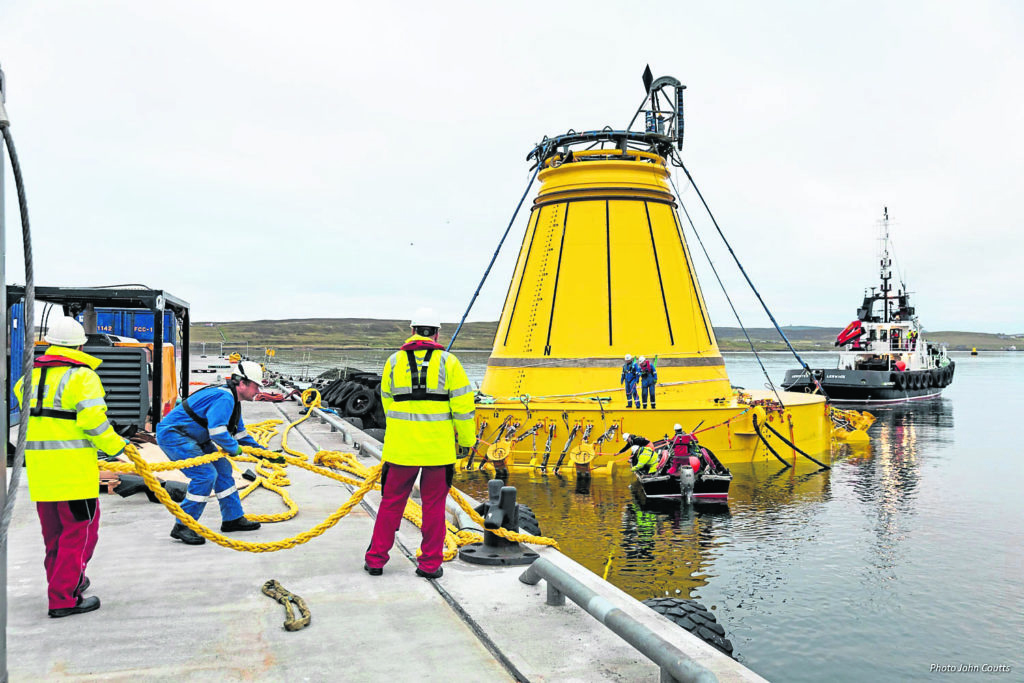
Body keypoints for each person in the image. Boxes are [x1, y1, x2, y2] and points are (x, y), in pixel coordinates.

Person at [13, 317, 129, 617]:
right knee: (81, 534)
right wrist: (118, 448)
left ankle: (66, 580)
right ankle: (64, 597)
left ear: (50, 343)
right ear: (80, 345)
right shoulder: (82, 376)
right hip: (74, 475)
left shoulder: (28, 378)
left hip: (41, 475)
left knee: (55, 536)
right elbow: (93, 421)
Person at [364, 307, 476, 579]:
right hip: (438, 450)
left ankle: (376, 560)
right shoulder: (449, 363)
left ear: (412, 331)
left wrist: (403, 430)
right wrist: (467, 440)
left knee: (391, 503)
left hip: (400, 449)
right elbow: (463, 406)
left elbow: (387, 402)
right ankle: (429, 565)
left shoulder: (393, 362)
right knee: (434, 506)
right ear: (437, 333)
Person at [156, 360, 265, 545]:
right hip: (175, 436)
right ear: (242, 383)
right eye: (256, 386)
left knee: (222, 469)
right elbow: (218, 432)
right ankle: (183, 525)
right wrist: (234, 449)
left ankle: (233, 518)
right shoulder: (225, 398)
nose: (258, 392)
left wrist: (262, 453)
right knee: (205, 475)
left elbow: (239, 433)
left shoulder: (232, 400)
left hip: (195, 436)